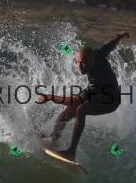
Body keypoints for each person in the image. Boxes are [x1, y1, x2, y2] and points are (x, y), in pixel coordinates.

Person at [36, 31, 129, 161]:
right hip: (99, 95)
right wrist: (119, 36)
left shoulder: (97, 79)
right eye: (77, 62)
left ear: (92, 59)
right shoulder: (98, 53)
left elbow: (76, 101)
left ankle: (71, 152)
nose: (79, 66)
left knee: (80, 109)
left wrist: (50, 97)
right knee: (66, 113)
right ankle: (53, 138)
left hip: (111, 101)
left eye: (83, 63)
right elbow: (110, 45)